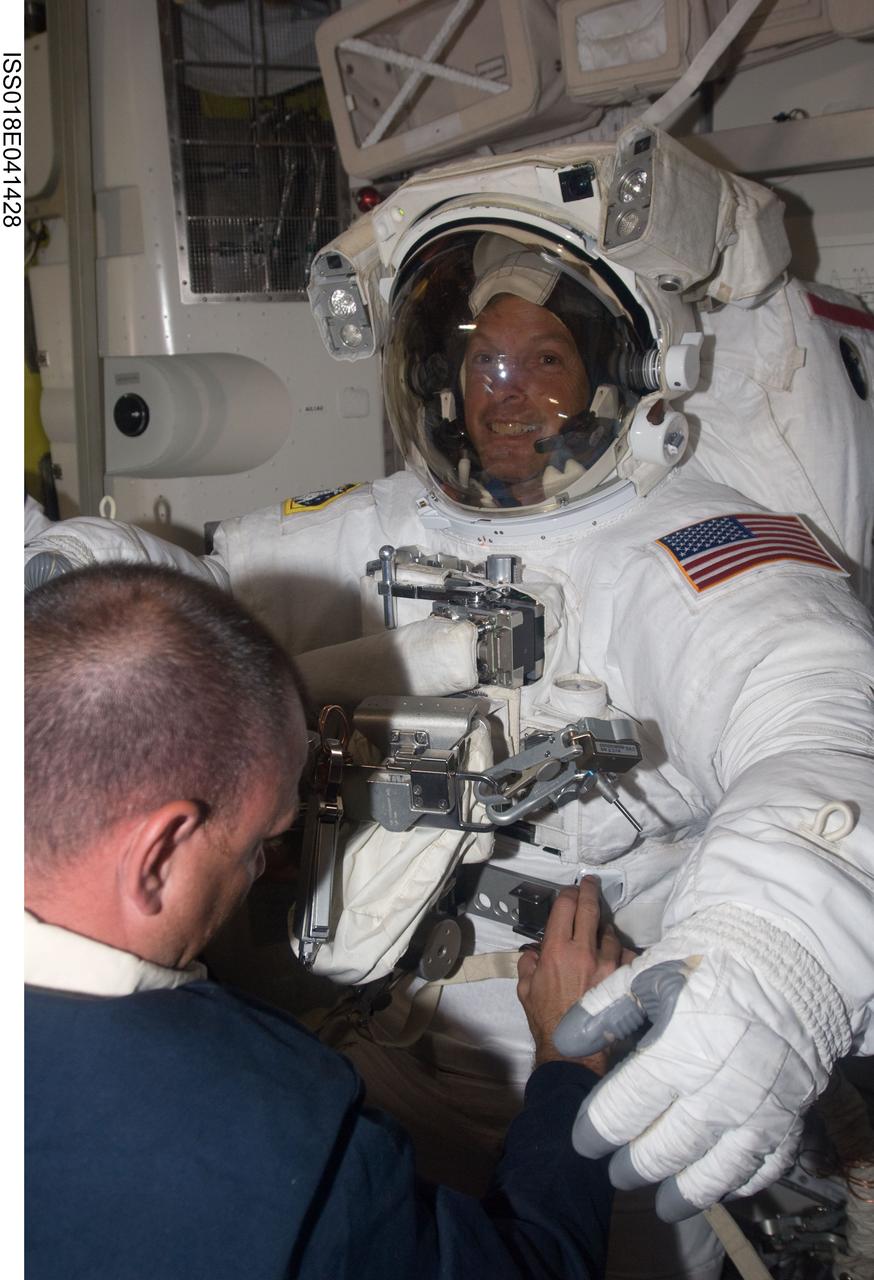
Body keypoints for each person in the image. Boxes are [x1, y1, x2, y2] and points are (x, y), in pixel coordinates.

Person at [24, 140, 874, 1278]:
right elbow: (197, 598)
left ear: (620, 370)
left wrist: (779, 953)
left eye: (544, 357)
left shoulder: (686, 550)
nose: (503, 391)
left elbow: (827, 727)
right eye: (477, 359)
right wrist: (65, 575)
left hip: (586, 1070)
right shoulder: (378, 521)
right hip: (361, 1053)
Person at [25, 562, 631, 1280]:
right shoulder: (275, 1146)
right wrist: (571, 1066)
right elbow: (536, 1268)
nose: (265, 871)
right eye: (261, 845)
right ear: (157, 856)